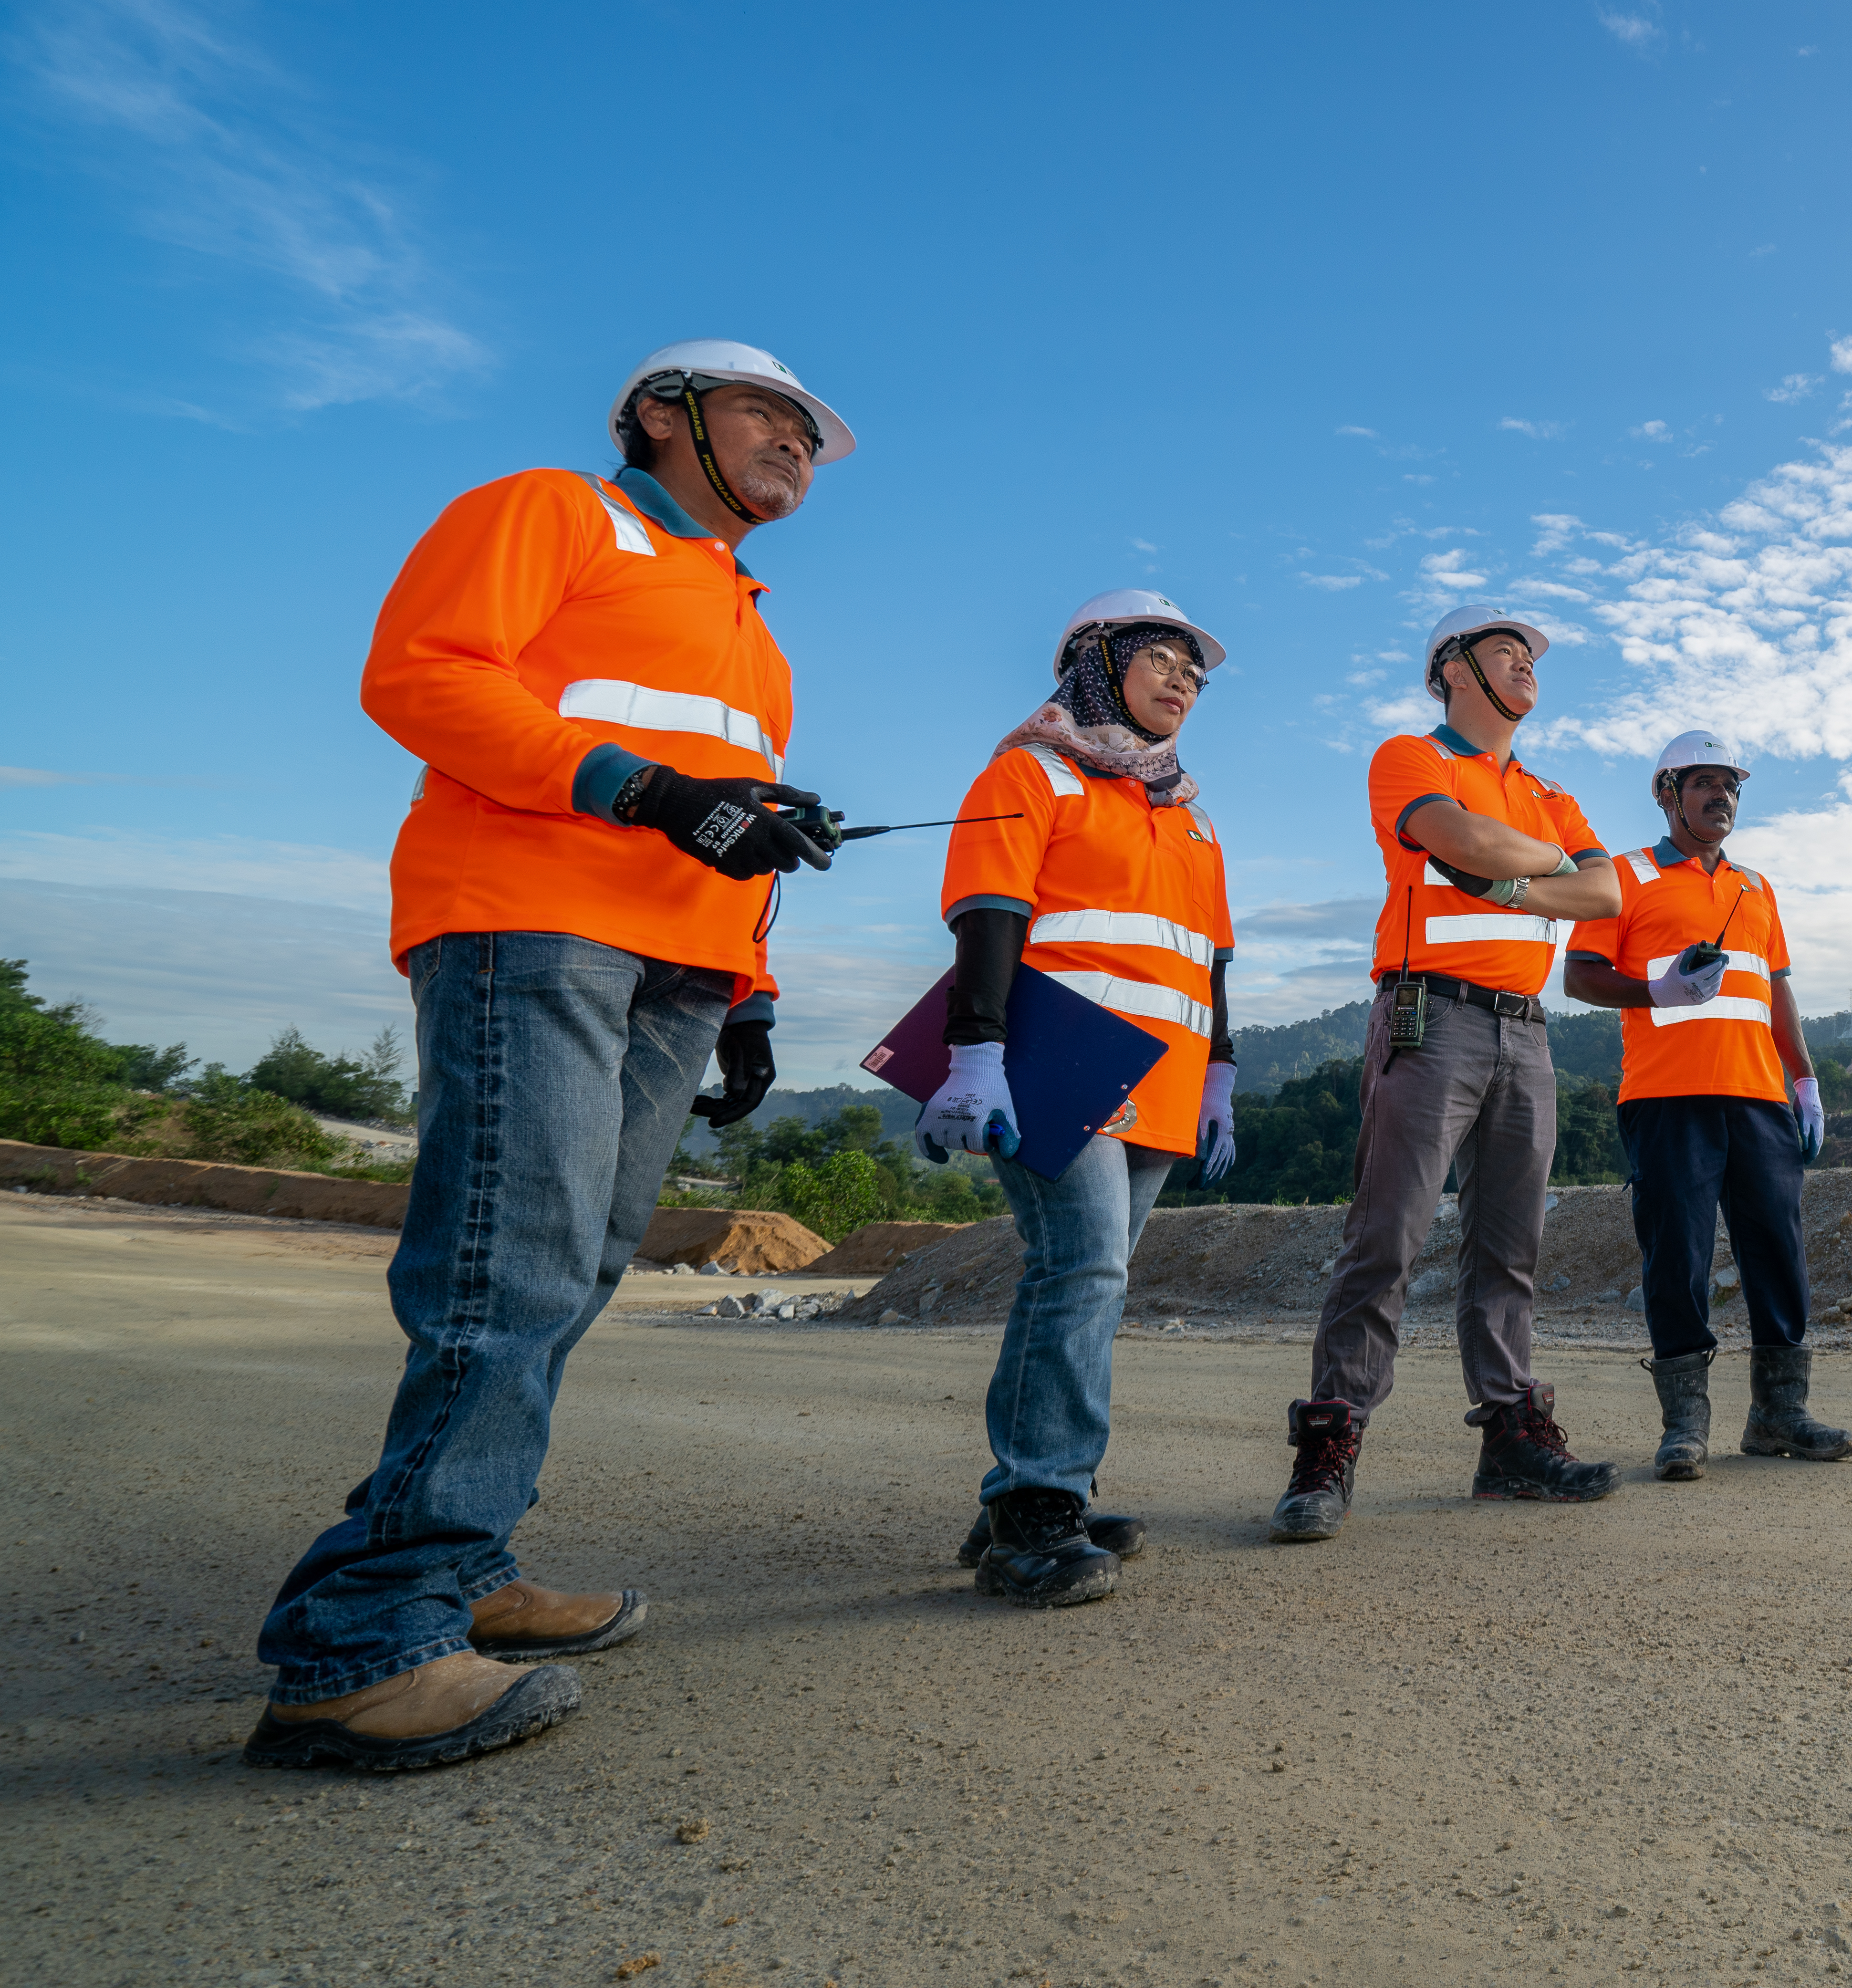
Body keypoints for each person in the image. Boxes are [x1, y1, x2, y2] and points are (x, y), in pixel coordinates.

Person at [248, 341, 851, 1771]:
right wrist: (645, 789)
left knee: (573, 1270)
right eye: (772, 413)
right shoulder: (557, 512)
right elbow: (421, 677)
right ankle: (361, 1644)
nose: (800, 444)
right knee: (508, 1264)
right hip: (532, 929)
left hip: (676, 973)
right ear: (665, 414)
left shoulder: (753, 633)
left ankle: (459, 1563)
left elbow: (724, 826)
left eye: (813, 436)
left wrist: (750, 993)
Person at [1269, 605, 1627, 1539]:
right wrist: (1534, 864)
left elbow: (1607, 892)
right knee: (1387, 1234)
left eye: (1533, 658)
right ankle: (1330, 1445)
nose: (1528, 668)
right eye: (1507, 653)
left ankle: (1510, 1440)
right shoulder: (1411, 758)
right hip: (1431, 1018)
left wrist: (1515, 873)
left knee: (1510, 1247)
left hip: (1526, 1032)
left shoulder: (1549, 791)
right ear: (1452, 670)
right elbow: (1457, 842)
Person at [914, 592, 1238, 1606]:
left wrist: (1221, 1072)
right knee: (1084, 1264)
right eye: (1163, 658)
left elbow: (1211, 958)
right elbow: (988, 914)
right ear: (1097, 661)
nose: (1184, 679)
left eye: (1196, 669)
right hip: (1054, 1054)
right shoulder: (1030, 773)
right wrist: (975, 1054)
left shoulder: (1187, 809)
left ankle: (1027, 1485)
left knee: (1085, 1273)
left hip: (1164, 1074)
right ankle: (1038, 1510)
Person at [1563, 733, 1852, 1478]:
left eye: (1730, 785)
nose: (1721, 796)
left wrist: (1806, 1078)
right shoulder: (1622, 878)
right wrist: (1658, 990)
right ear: (1667, 793)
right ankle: (1685, 1425)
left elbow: (1776, 988)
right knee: (1679, 1258)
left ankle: (1779, 1414)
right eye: (1704, 783)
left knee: (1779, 1254)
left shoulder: (1757, 888)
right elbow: (1580, 977)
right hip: (1667, 1100)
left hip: (1759, 1097)